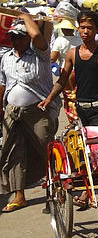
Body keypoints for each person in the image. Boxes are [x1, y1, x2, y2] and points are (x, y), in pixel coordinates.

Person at [0, 14, 58, 212]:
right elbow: (2, 84)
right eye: (13, 37)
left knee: (46, 150)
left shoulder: (40, 54)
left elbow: (36, 36)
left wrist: (25, 16)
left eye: (20, 37)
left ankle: (54, 192)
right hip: (11, 112)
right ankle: (19, 196)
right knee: (14, 153)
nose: (16, 41)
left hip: (37, 112)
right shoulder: (5, 58)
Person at [40, 11, 98, 127]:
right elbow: (62, 80)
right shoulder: (72, 54)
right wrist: (49, 99)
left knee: (95, 140)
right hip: (80, 108)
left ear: (97, 30)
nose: (85, 32)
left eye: (90, 28)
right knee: (82, 142)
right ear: (78, 29)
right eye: (82, 28)